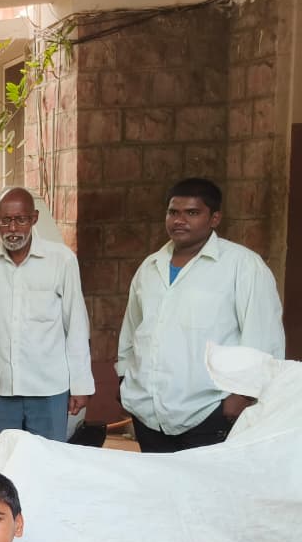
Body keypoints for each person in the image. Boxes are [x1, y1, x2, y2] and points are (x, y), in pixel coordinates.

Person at [117, 178, 285, 453]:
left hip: (209, 411)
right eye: (173, 212)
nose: (179, 220)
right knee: (159, 492)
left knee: (203, 493)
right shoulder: (150, 266)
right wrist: (125, 379)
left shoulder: (242, 266)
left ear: (214, 218)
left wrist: (240, 398)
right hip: (149, 411)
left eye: (192, 213)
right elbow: (132, 329)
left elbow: (264, 339)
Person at [0, 187, 93, 442]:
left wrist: (81, 385)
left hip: (49, 387)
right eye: (5, 220)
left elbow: (76, 324)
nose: (13, 228)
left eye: (21, 219)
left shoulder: (61, 259)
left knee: (48, 465)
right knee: (2, 468)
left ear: (34, 218)